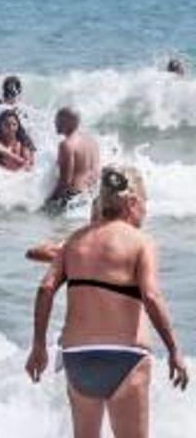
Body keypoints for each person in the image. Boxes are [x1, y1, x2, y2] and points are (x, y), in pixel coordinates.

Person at [25, 166, 188, 438]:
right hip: (127, 357)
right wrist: (174, 350)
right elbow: (150, 296)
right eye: (145, 205)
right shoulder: (141, 242)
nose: (146, 213)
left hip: (77, 358)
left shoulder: (75, 241)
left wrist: (39, 346)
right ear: (132, 203)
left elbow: (45, 289)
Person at [44, 107, 100, 215]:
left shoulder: (66, 145)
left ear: (67, 121)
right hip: (89, 196)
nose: (55, 122)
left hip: (72, 197)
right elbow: (96, 173)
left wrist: (48, 202)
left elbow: (66, 181)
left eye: (58, 119)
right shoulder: (92, 142)